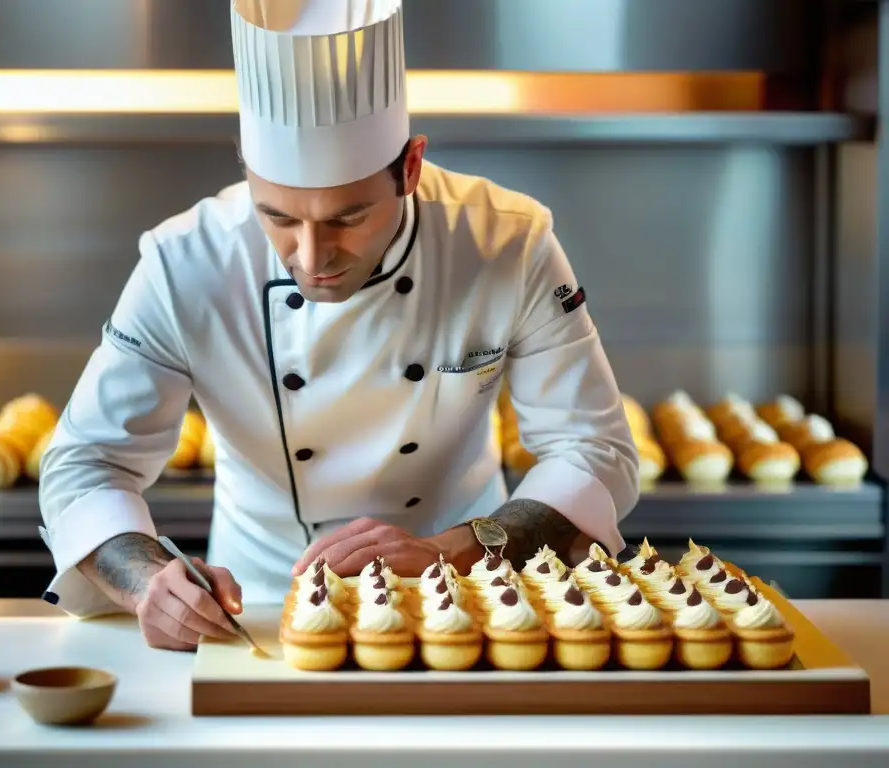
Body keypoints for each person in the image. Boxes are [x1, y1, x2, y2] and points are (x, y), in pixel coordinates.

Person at [37, 0, 639, 651]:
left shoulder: (505, 241)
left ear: (410, 167)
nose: (311, 256)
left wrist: (457, 548)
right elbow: (87, 463)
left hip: (468, 601)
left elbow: (594, 450)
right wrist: (149, 581)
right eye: (280, 219)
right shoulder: (185, 262)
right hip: (257, 607)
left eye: (348, 219)